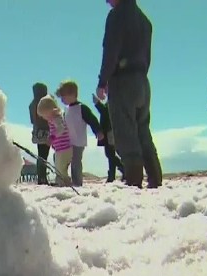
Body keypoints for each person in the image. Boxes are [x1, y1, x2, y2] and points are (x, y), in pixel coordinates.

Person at [95, 0, 163, 189]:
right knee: (142, 131)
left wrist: (103, 80)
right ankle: (155, 178)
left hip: (123, 81)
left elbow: (111, 50)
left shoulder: (117, 16)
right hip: (142, 80)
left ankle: (133, 182)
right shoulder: (144, 20)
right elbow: (147, 56)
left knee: (125, 133)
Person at [55, 80, 104, 187]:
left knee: (76, 163)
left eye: (63, 96)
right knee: (63, 162)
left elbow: (92, 120)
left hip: (78, 142)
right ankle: (63, 181)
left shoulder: (82, 108)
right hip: (67, 142)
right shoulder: (66, 110)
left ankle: (77, 183)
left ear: (72, 94)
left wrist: (98, 131)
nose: (62, 100)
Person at [36, 95, 73, 186]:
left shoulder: (56, 118)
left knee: (60, 168)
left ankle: (65, 183)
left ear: (50, 111)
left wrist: (52, 138)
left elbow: (60, 129)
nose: (44, 118)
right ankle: (62, 182)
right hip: (61, 148)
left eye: (44, 115)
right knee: (59, 167)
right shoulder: (53, 119)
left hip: (64, 148)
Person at [92, 94, 125, 183]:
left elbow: (105, 112)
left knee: (110, 154)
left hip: (110, 131)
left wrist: (97, 103)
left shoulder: (113, 101)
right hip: (109, 131)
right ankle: (115, 173)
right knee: (110, 154)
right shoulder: (114, 101)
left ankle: (120, 170)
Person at [29, 82, 51, 185]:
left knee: (41, 155)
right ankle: (42, 178)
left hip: (37, 132)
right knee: (44, 155)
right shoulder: (44, 103)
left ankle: (41, 177)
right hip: (45, 131)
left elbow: (32, 121)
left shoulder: (32, 104)